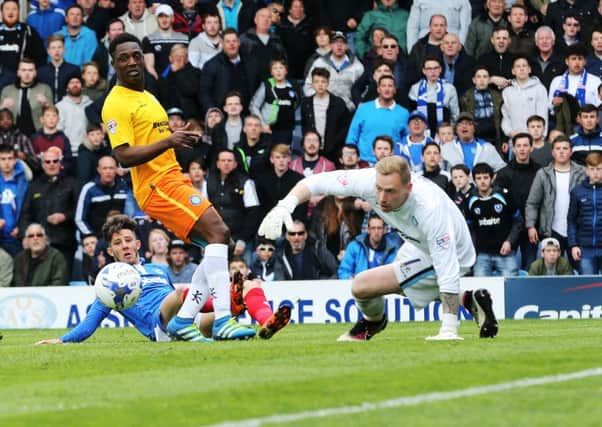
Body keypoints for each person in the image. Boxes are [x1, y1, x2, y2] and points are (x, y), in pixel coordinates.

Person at [101, 32, 255, 341]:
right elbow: (123, 155)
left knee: (215, 242)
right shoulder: (115, 103)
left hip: (172, 178)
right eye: (123, 58)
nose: (131, 62)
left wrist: (179, 138)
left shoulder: (147, 95)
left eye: (135, 55)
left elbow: (156, 140)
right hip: (156, 186)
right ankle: (222, 319)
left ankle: (184, 321)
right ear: (114, 63)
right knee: (219, 233)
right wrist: (169, 140)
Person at [259, 156, 499, 341]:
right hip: (417, 245)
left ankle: (374, 322)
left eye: (390, 191)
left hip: (454, 252)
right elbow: (316, 182)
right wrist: (285, 205)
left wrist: (449, 328)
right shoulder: (368, 181)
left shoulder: (429, 208)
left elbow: (447, 268)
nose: (381, 197)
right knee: (384, 287)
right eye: (379, 189)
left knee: (362, 287)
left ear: (409, 188)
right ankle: (469, 301)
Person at [35, 214, 264, 344]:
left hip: (188, 318)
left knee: (248, 285)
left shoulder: (158, 269)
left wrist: (219, 301)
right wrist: (62, 340)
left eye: (127, 240)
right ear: (110, 252)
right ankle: (221, 311)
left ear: (137, 244)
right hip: (161, 327)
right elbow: (91, 321)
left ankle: (265, 321)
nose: (124, 245)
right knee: (180, 293)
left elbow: (192, 299)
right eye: (117, 243)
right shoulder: (111, 283)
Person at [526, 135, 586, 259]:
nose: (562, 152)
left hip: (577, 230)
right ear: (552, 152)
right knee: (551, 273)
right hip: (551, 230)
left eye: (565, 148)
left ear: (571, 151)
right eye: (558, 149)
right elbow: (532, 203)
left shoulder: (583, 172)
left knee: (581, 273)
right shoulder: (543, 174)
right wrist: (531, 226)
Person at [19, 147, 78, 274]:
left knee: (62, 281)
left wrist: (65, 216)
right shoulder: (34, 185)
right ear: (42, 164)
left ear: (60, 163)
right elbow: (25, 213)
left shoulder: (71, 183)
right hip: (39, 245)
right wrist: (25, 235)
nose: (52, 164)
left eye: (55, 161)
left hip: (65, 243)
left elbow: (79, 211)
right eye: (48, 162)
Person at [494, 133, 541, 270]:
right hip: (509, 228)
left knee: (530, 269)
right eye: (518, 146)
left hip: (533, 228)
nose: (522, 149)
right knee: (508, 271)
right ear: (513, 149)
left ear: (531, 148)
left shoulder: (540, 171)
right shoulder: (503, 173)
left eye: (525, 145)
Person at [467, 162, 521, 277]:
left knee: (511, 287)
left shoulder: (504, 195)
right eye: (479, 178)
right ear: (474, 180)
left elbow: (518, 221)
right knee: (481, 289)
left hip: (505, 252)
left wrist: (509, 242)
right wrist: (474, 250)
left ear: (492, 178)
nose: (482, 181)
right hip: (482, 254)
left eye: (486, 177)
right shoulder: (470, 200)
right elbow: (469, 228)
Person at [346, 75, 409, 165]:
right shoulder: (363, 108)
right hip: (364, 162)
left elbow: (406, 140)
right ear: (378, 89)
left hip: (391, 163)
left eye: (390, 86)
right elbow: (352, 136)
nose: (387, 89)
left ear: (395, 90)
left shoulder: (403, 113)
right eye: (383, 86)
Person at [303, 31, 365, 112]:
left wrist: (354, 105)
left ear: (347, 46)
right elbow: (308, 86)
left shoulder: (357, 66)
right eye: (335, 42)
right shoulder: (319, 63)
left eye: (342, 42)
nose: (339, 45)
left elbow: (364, 90)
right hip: (324, 110)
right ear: (330, 45)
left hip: (349, 111)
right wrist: (319, 103)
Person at [300, 67, 350, 163]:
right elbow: (304, 125)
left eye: (323, 81)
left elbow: (345, 127)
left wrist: (335, 143)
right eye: (316, 82)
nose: (320, 85)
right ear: (312, 84)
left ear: (328, 83)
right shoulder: (306, 103)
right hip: (312, 149)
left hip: (334, 150)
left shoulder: (338, 103)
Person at [249, 59, 300, 145]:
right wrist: (262, 124)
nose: (278, 71)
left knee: (284, 154)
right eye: (275, 68)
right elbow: (253, 106)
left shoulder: (293, 85)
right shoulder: (266, 85)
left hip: (287, 129)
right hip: (269, 129)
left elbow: (296, 102)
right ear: (271, 72)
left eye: (281, 68)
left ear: (286, 71)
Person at [75, 155, 129, 237]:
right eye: (104, 168)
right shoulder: (89, 189)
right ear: (98, 170)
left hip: (120, 236)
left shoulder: (124, 186)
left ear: (116, 169)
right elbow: (79, 219)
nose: (108, 171)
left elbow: (130, 214)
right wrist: (91, 236)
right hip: (97, 237)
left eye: (111, 168)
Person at [338, 213, 402, 279]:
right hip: (358, 286)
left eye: (379, 228)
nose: (376, 232)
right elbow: (343, 271)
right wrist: (351, 279)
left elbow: (394, 274)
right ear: (368, 230)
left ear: (385, 230)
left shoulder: (392, 249)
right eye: (373, 228)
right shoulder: (354, 247)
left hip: (382, 287)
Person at [0, 58, 53, 138]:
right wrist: (2, 107)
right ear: (18, 72)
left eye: (30, 70)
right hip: (12, 136)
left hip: (39, 135)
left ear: (35, 73)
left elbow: (54, 115)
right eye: (23, 70)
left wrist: (46, 104)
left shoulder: (45, 89)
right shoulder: (7, 90)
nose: (27, 74)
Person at [568, 152, 602, 274]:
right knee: (587, 286)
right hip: (585, 249)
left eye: (599, 169)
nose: (595, 172)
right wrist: (574, 245)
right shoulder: (577, 191)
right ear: (586, 171)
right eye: (592, 169)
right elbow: (571, 220)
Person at [501, 56, 549, 143]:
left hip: (534, 140)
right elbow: (505, 116)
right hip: (515, 140)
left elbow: (543, 115)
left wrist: (542, 136)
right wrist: (510, 132)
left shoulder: (539, 89)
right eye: (518, 66)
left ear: (529, 69)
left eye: (524, 66)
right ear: (513, 71)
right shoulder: (507, 92)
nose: (521, 69)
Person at [408, 56, 459, 134]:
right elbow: (412, 115)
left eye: (435, 68)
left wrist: (450, 133)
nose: (433, 71)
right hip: (421, 134)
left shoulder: (449, 88)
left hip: (444, 134)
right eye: (429, 69)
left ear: (440, 69)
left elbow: (455, 115)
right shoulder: (415, 88)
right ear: (424, 71)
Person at [441, 112, 506, 172]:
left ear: (474, 128)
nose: (464, 126)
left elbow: (501, 168)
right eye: (460, 124)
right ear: (456, 130)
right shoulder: (446, 149)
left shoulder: (487, 148)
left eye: (468, 123)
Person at [142, 4, 189, 80]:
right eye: (160, 16)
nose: (164, 20)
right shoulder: (148, 39)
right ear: (156, 19)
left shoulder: (184, 38)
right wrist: (159, 83)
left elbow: (187, 64)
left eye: (167, 16)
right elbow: (149, 66)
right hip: (159, 83)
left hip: (182, 82)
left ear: (172, 18)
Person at [406, 0, 472, 52]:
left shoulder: (463, 1)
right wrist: (412, 50)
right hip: (424, 48)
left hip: (451, 47)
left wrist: (459, 47)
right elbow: (412, 27)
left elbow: (465, 27)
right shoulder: (419, 1)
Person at [0, 0, 46, 72]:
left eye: (14, 9)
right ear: (1, 12)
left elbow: (41, 58)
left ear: (19, 12)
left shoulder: (29, 32)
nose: (10, 12)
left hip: (21, 81)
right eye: (7, 9)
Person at [0, 145, 28, 257]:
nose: (7, 163)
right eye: (3, 159)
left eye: (10, 158)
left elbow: (29, 209)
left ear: (15, 160)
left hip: (17, 238)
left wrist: (22, 228)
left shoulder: (24, 182)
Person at [37, 34, 81, 104]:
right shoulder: (41, 72)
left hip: (68, 108)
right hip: (47, 110)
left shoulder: (74, 70)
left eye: (59, 47)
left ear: (64, 49)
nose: (57, 50)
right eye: (53, 48)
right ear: (48, 51)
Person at [56, 75, 93, 156]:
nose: (75, 85)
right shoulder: (60, 106)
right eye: (71, 83)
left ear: (82, 87)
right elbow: (58, 129)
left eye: (77, 82)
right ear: (67, 88)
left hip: (87, 149)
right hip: (67, 150)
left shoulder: (90, 105)